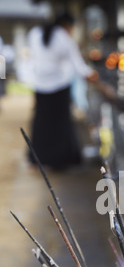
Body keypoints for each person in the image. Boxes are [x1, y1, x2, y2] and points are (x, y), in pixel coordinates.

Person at [26, 12, 98, 169]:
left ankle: (38, 157)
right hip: (59, 87)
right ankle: (60, 160)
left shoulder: (34, 33)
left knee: (41, 122)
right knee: (60, 124)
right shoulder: (65, 39)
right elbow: (80, 67)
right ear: (67, 25)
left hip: (40, 86)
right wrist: (94, 76)